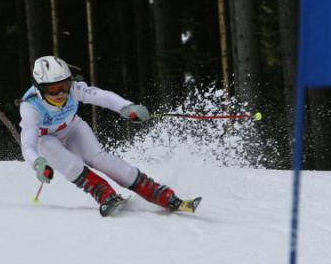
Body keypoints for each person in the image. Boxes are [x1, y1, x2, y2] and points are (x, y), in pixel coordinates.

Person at [19, 55, 200, 217]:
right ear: (40, 89)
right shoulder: (30, 107)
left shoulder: (74, 90)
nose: (60, 94)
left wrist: (126, 107)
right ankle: (106, 195)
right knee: (72, 165)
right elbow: (28, 145)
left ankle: (162, 195)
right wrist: (38, 164)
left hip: (71, 127)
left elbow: (101, 96)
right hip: (46, 138)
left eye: (64, 86)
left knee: (100, 158)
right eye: (53, 89)